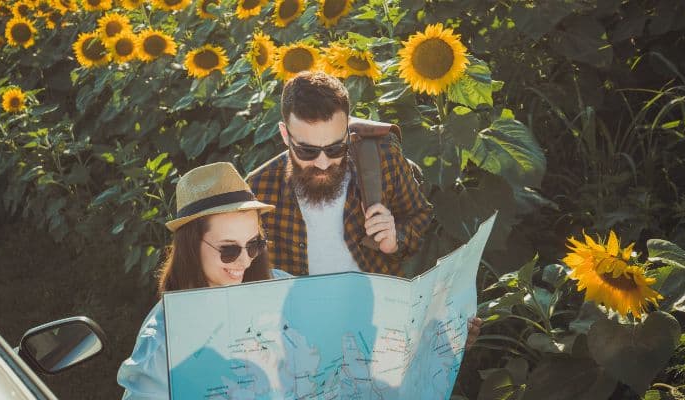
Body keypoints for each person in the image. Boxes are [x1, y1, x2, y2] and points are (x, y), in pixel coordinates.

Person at [246, 71, 482, 349]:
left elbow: (419, 214)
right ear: (285, 134)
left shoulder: (381, 157)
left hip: (380, 324)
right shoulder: (260, 189)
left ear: (348, 129)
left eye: (335, 149)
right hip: (304, 338)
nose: (323, 163)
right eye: (307, 151)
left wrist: (396, 240)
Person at [116, 162, 290, 400]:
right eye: (228, 250)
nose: (245, 261)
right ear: (191, 248)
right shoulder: (162, 341)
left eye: (254, 245)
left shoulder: (283, 288)